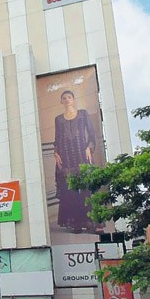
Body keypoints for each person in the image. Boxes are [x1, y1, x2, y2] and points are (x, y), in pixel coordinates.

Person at [53, 90, 98, 233]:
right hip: (66, 158)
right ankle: (76, 223)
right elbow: (57, 138)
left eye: (69, 97)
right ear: (61, 102)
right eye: (64, 98)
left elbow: (91, 133)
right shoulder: (58, 119)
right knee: (70, 190)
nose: (67, 100)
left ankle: (90, 222)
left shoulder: (83, 114)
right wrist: (55, 152)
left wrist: (89, 147)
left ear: (73, 99)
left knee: (86, 189)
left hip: (81, 155)